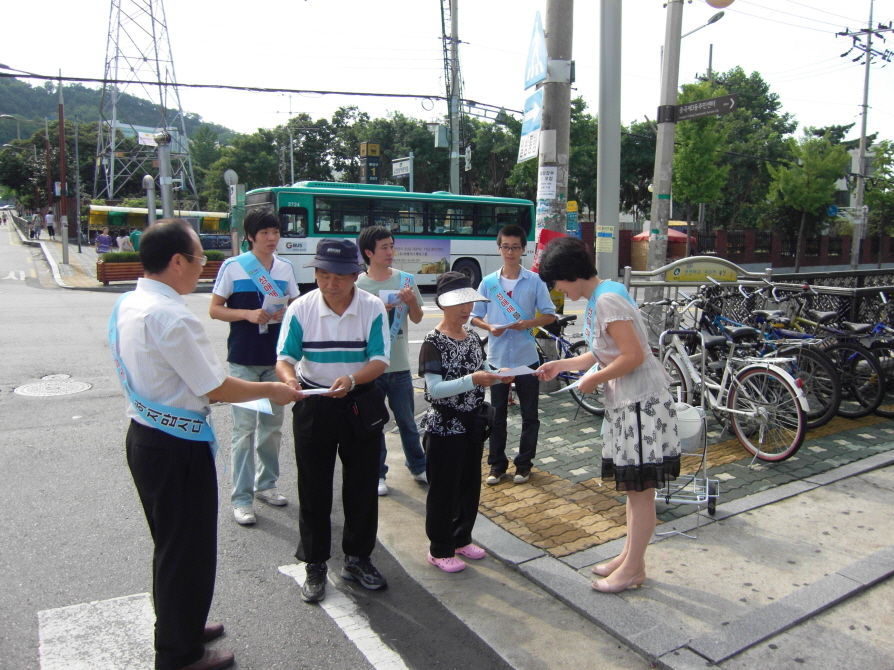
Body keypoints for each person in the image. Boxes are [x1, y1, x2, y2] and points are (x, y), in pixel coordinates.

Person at [111, 219, 302, 670]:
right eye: (198, 258)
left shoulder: (131, 301)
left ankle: (181, 624)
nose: (202, 266)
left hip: (145, 437)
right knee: (187, 550)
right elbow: (213, 386)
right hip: (176, 446)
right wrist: (271, 391)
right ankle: (179, 654)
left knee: (172, 546)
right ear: (177, 261)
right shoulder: (172, 315)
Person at [534, 237, 680, 594]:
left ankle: (632, 567)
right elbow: (604, 351)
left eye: (557, 281)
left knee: (640, 490)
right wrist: (562, 365)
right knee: (635, 489)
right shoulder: (605, 293)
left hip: (639, 404)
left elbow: (632, 356)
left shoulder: (607, 300)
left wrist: (593, 379)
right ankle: (631, 558)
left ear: (569, 275)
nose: (557, 289)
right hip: (632, 403)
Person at [276, 238, 391, 604]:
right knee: (313, 487)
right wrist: (290, 380)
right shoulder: (301, 308)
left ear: (356, 274)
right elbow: (285, 357)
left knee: (361, 485)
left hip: (359, 401)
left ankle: (358, 558)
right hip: (314, 402)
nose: (331, 283)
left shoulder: (372, 308)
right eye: (323, 274)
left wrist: (354, 379)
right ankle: (314, 563)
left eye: (340, 276)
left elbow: (380, 359)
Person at [210, 207, 299, 525]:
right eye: (265, 233)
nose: (272, 238)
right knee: (244, 431)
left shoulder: (286, 268)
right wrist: (247, 314)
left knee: (272, 431)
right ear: (250, 236)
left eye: (275, 232)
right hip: (244, 361)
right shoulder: (233, 267)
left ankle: (266, 485)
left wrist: (282, 313)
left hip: (274, 361)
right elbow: (215, 309)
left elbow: (293, 308)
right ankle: (242, 498)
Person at [419, 272, 504, 572]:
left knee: (469, 486)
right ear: (443, 304)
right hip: (444, 427)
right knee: (444, 490)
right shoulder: (433, 341)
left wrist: (498, 372)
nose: (466, 309)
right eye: (459, 303)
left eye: (469, 302)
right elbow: (434, 390)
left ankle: (461, 538)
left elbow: (483, 367)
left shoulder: (470, 337)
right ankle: (439, 548)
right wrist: (474, 379)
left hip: (472, 425)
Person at [470, 224, 556, 486]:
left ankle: (524, 465)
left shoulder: (535, 281)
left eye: (515, 247)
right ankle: (497, 465)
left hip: (526, 357)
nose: (510, 251)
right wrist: (489, 327)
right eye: (505, 246)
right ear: (499, 249)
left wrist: (528, 323)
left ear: (523, 249)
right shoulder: (488, 282)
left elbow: (550, 314)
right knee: (497, 415)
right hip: (496, 359)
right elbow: (474, 317)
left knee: (530, 414)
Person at [356, 226, 427, 496]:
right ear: (369, 252)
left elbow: (418, 319)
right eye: (384, 247)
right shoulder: (358, 285)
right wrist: (375, 308)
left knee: (407, 421)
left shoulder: (406, 280)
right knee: (375, 425)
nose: (390, 252)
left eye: (391, 246)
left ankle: (419, 466)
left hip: (399, 367)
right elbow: (352, 326)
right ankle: (378, 474)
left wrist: (411, 303)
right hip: (370, 368)